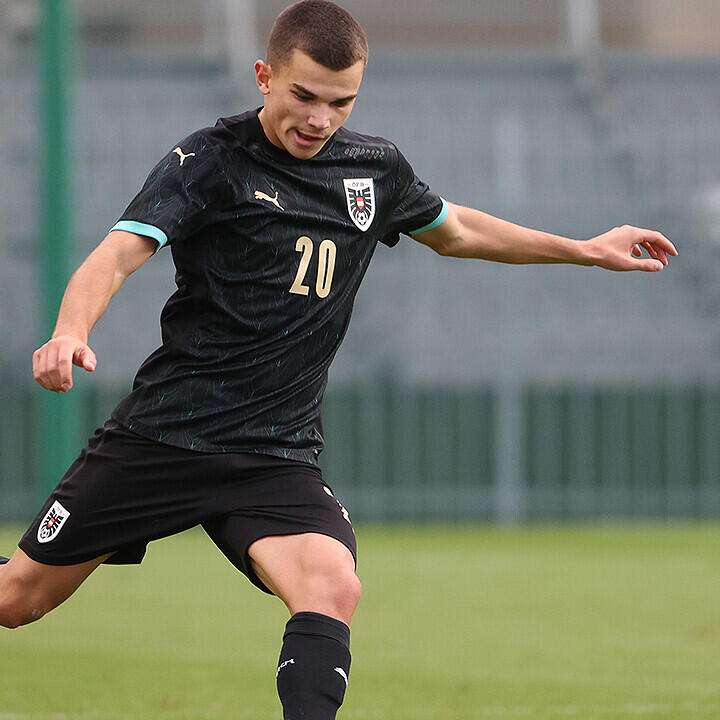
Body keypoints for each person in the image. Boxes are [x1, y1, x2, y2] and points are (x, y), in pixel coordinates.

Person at [0, 1, 677, 718]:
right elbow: (115, 257)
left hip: (273, 453)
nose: (320, 118)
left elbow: (459, 231)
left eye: (339, 101)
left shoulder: (372, 169)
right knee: (19, 600)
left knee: (331, 584)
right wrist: (70, 329)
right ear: (265, 77)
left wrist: (585, 248)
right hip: (166, 437)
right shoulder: (209, 161)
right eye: (303, 95)